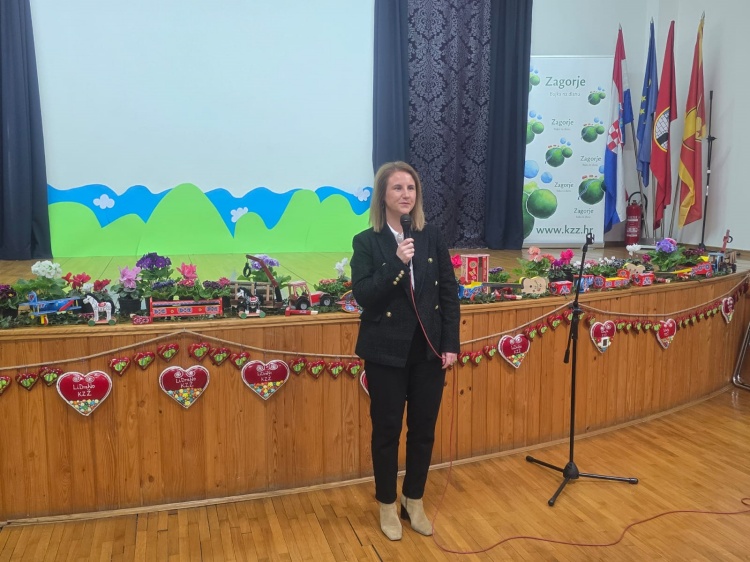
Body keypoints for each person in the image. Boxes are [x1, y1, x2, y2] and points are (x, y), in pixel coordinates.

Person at [351, 161, 460, 541]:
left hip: (428, 350)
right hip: (385, 351)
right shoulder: (366, 242)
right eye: (397, 188)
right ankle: (386, 503)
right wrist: (396, 263)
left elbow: (449, 293)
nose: (405, 194)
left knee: (423, 431)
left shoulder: (432, 236)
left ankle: (413, 500)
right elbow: (364, 295)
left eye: (411, 188)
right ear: (383, 195)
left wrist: (450, 343)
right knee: (387, 431)